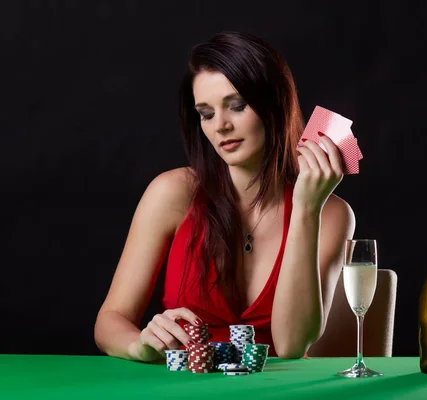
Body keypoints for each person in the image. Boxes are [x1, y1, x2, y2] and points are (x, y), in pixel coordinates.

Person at [93, 31, 355, 362]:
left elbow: (291, 346)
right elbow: (109, 321)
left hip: (276, 391)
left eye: (237, 106)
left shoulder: (332, 213)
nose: (221, 126)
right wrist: (139, 344)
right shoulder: (173, 192)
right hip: (185, 388)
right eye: (206, 113)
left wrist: (305, 209)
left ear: (274, 105)